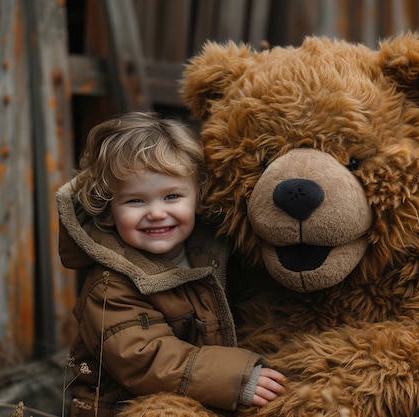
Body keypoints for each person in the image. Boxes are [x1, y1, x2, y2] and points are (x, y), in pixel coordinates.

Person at [56, 112, 286, 417]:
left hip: (203, 395)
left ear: (197, 198)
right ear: (108, 210)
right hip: (126, 406)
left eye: (172, 196)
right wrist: (237, 377)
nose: (156, 213)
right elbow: (145, 358)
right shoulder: (110, 283)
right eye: (136, 201)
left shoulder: (214, 250)